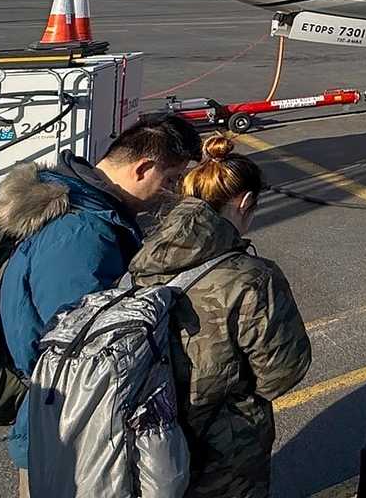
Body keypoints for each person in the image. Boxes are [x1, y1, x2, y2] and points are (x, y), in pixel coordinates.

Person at [0, 113, 202, 494]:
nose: (169, 192)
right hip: (71, 435)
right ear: (143, 168)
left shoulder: (90, 211)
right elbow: (83, 353)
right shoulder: (82, 233)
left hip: (66, 419)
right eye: (168, 180)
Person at [127, 135, 312, 498]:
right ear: (244, 203)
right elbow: (280, 375)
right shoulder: (252, 278)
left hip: (148, 438)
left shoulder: (143, 256)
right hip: (223, 451)